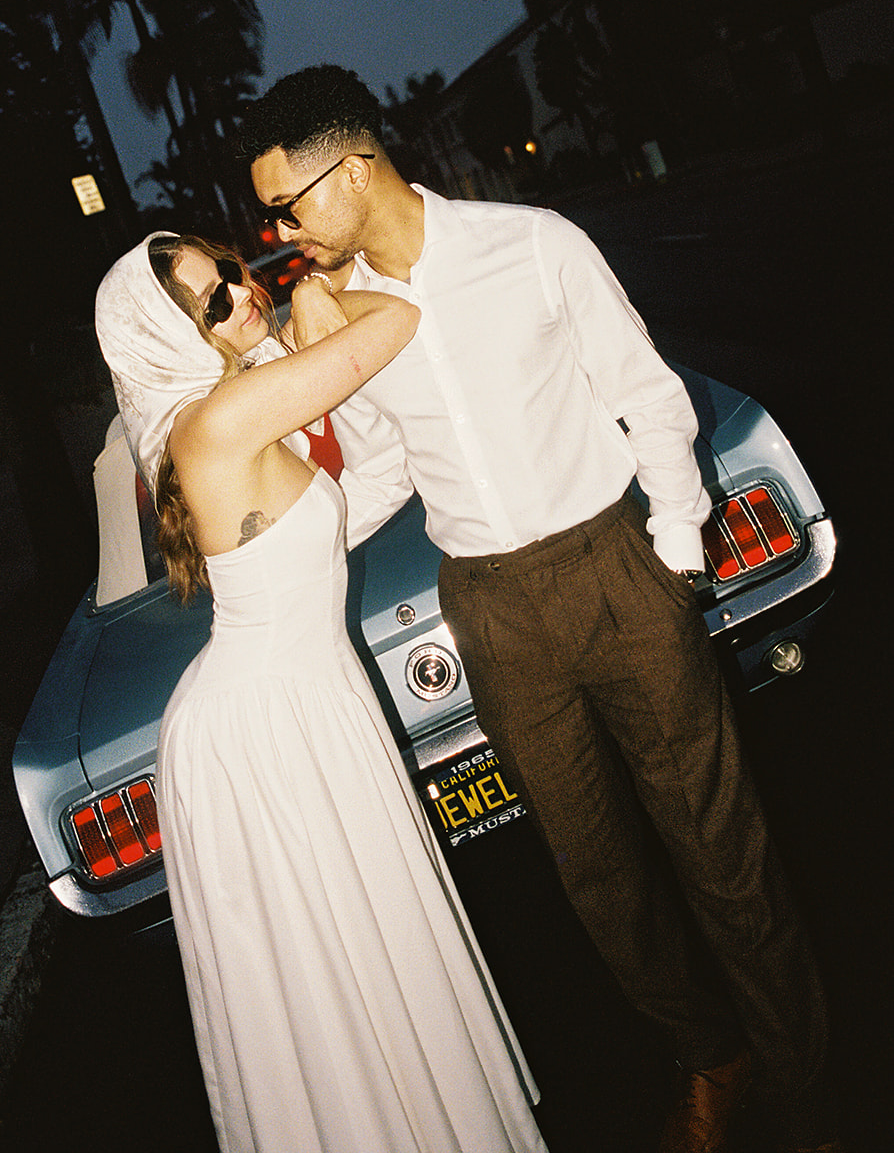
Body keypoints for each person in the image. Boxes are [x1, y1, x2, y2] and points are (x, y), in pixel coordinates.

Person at [240, 65, 843, 1153]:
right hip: (491, 608)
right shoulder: (352, 318)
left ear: (355, 168)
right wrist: (277, 527)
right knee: (597, 877)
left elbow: (645, 394)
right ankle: (713, 1057)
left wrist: (668, 555)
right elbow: (378, 472)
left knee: (722, 847)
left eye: (286, 204)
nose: (277, 229)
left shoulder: (531, 243)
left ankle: (807, 1085)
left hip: (613, 570)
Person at [94, 231, 547, 1153]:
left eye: (228, 270)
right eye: (211, 304)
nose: (238, 293)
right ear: (169, 342)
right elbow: (400, 320)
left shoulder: (238, 416)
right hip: (267, 726)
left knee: (368, 955)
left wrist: (290, 334)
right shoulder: (214, 425)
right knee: (332, 973)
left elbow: (360, 495)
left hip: (302, 704)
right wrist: (310, 304)